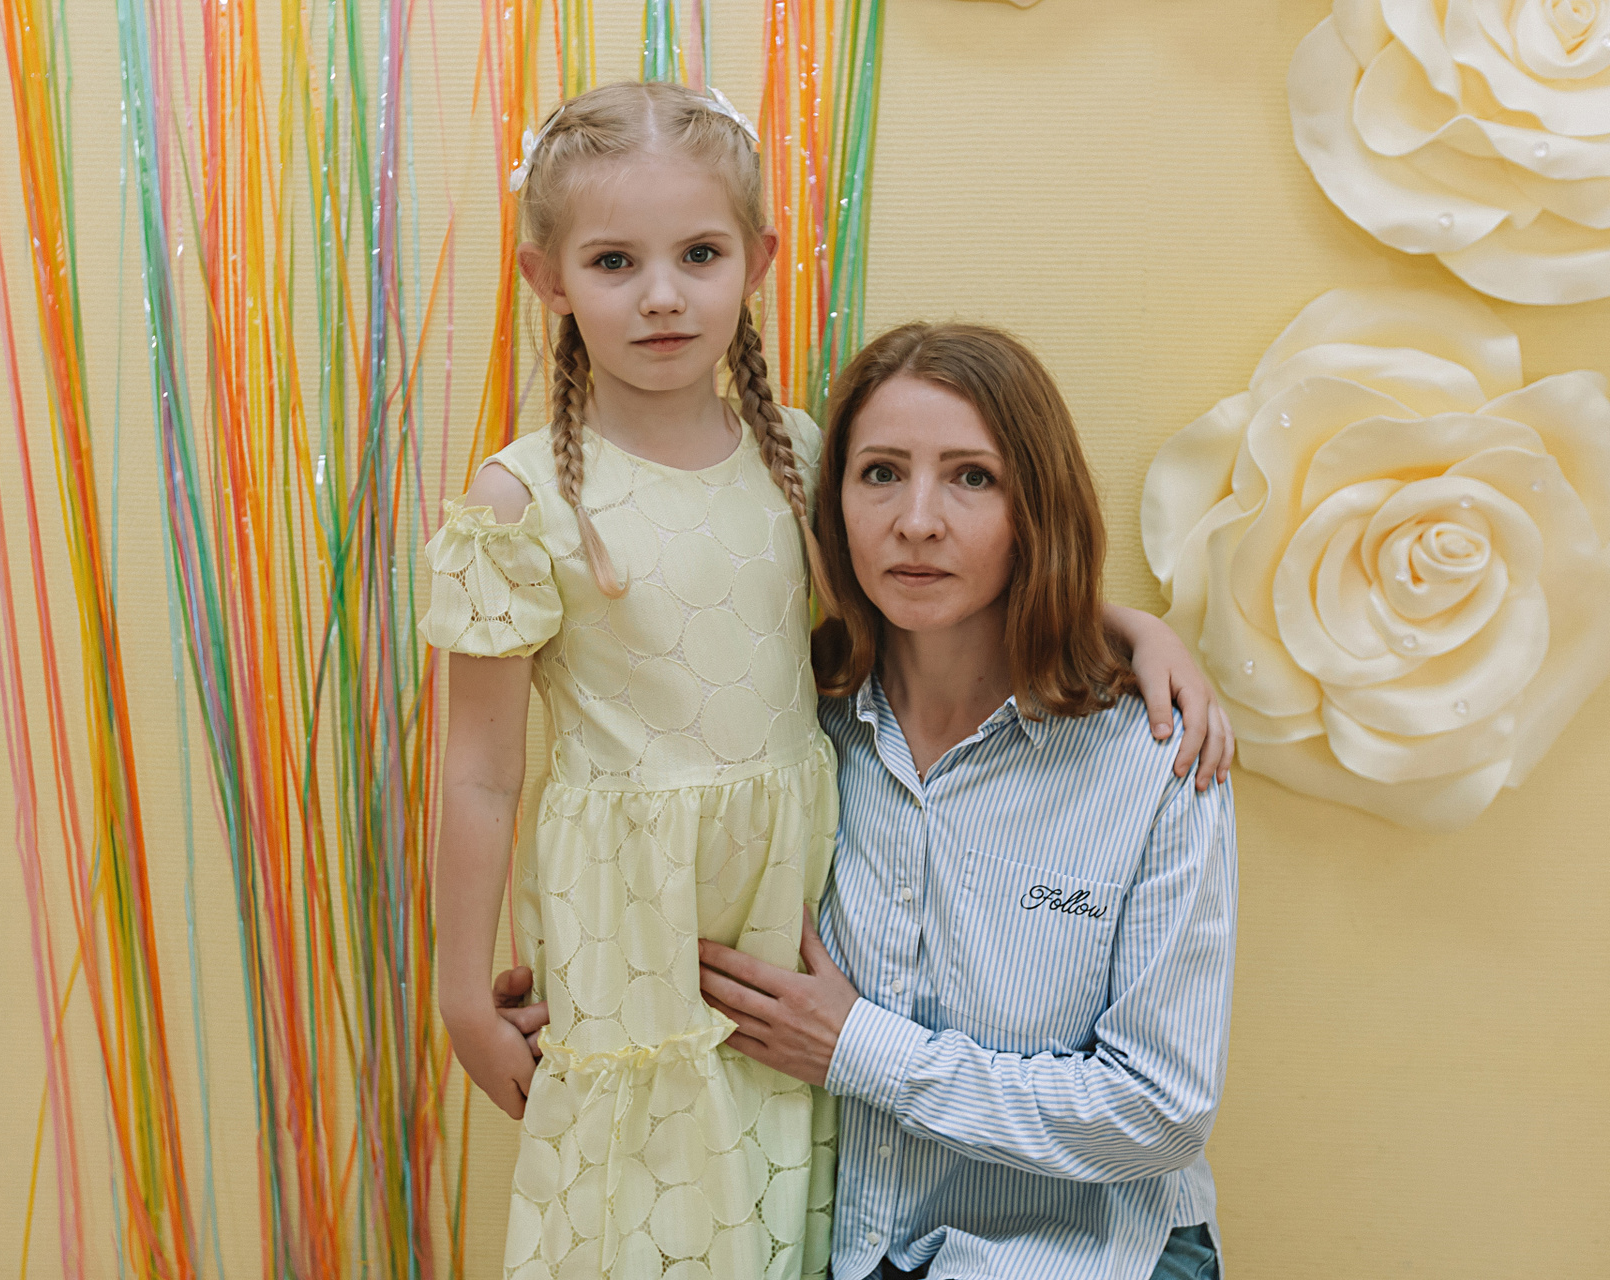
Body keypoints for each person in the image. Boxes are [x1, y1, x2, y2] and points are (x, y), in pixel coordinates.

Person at [420, 82, 1229, 1280]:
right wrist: (461, 995)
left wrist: (1123, 623)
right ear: (548, 279)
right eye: (613, 260)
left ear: (756, 262)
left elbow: (929, 584)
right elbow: (480, 773)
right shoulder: (526, 501)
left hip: (784, 942)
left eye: (698, 254)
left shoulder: (793, 458)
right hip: (632, 930)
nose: (660, 294)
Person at [694, 322, 1237, 1280]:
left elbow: (1158, 1111)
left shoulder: (1155, 753)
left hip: (1081, 1257)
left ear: (1037, 509)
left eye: (972, 478)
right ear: (834, 506)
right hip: (842, 1252)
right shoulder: (791, 730)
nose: (917, 521)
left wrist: (860, 1049)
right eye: (880, 473)